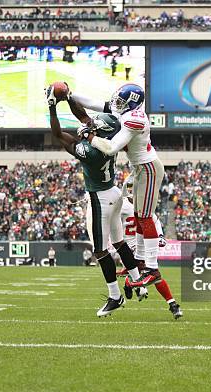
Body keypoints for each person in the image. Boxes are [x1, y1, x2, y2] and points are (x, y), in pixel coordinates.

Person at [46, 84, 148, 317]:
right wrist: (68, 97)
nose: (91, 124)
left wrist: (52, 107)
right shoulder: (108, 137)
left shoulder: (91, 151)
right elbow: (83, 117)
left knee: (101, 251)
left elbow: (59, 135)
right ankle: (138, 282)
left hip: (100, 197)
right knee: (120, 243)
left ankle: (115, 296)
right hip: (114, 192)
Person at [67, 83, 165, 289]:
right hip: (140, 168)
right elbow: (95, 104)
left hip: (148, 168)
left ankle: (152, 268)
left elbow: (111, 148)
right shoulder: (125, 112)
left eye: (121, 102)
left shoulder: (134, 119)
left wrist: (89, 136)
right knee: (140, 216)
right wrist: (70, 94)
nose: (116, 105)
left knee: (145, 217)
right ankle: (139, 259)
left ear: (132, 104)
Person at [115, 177, 182, 319]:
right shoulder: (122, 205)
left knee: (153, 274)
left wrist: (161, 236)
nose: (133, 190)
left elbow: (154, 221)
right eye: (131, 187)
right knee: (153, 274)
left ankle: (130, 282)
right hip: (128, 246)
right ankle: (172, 304)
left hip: (144, 244)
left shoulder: (144, 205)